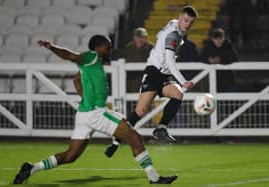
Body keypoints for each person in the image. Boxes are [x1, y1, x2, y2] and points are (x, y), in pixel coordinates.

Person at [12, 35, 177, 184]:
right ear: (98, 48)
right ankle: (154, 179)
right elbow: (70, 55)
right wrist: (51, 47)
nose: (110, 50)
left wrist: (85, 96)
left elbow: (77, 79)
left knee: (70, 156)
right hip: (96, 113)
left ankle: (31, 168)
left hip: (84, 114)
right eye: (108, 47)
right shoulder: (91, 57)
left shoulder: (92, 64)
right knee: (135, 138)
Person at [105, 6, 197, 157]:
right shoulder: (173, 35)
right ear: (180, 18)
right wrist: (183, 81)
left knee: (178, 94)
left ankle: (161, 128)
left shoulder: (176, 26)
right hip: (154, 73)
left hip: (164, 75)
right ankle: (116, 142)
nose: (188, 24)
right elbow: (169, 60)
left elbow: (163, 35)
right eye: (186, 20)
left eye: (191, 22)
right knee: (140, 111)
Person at [200, 28, 238, 92]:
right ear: (212, 38)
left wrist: (220, 59)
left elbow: (234, 58)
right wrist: (209, 60)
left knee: (229, 99)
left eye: (220, 38)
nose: (218, 41)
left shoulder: (228, 45)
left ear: (224, 38)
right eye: (216, 39)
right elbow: (201, 58)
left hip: (227, 79)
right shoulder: (208, 46)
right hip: (211, 80)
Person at [123, 27, 154, 92]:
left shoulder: (151, 47)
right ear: (134, 37)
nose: (141, 39)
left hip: (146, 77)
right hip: (132, 78)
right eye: (138, 37)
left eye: (143, 37)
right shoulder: (129, 47)